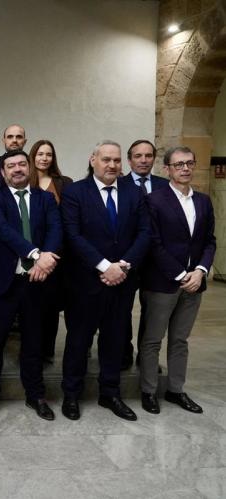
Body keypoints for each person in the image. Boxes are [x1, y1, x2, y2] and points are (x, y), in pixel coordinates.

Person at [60, 140, 150, 421]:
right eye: (106, 159)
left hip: (122, 281)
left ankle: (110, 393)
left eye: (116, 160)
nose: (112, 165)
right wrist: (103, 265)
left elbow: (145, 232)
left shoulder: (134, 192)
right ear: (93, 160)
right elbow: (72, 235)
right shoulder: (75, 192)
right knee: (78, 341)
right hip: (85, 283)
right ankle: (71, 394)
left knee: (114, 340)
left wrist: (122, 266)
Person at [0, 150, 62, 422]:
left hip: (37, 282)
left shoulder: (45, 198)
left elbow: (55, 230)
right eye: (11, 165)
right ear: (3, 172)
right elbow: (4, 230)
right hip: (3, 283)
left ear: (29, 168)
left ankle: (35, 394)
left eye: (21, 164)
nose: (17, 169)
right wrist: (37, 255)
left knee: (34, 342)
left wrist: (46, 261)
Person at [139, 146, 216, 415]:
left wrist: (201, 271)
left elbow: (209, 241)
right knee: (152, 339)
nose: (185, 168)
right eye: (179, 164)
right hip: (162, 283)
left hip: (195, 284)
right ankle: (148, 391)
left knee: (180, 340)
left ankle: (175, 390)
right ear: (167, 169)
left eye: (189, 163)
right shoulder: (154, 200)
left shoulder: (203, 201)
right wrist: (181, 274)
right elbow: (153, 243)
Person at [119, 139, 170, 369]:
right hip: (127, 258)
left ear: (154, 159)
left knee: (152, 312)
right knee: (122, 310)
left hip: (156, 261)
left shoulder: (165, 186)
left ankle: (146, 356)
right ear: (129, 160)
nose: (143, 160)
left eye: (148, 156)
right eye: (138, 156)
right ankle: (123, 352)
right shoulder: (118, 184)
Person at [28, 139, 73, 363]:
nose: (44, 158)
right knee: (30, 305)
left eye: (49, 154)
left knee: (51, 305)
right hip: (30, 252)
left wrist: (52, 251)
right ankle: (31, 349)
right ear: (33, 156)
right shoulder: (25, 181)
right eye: (40, 154)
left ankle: (47, 350)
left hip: (56, 252)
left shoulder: (64, 182)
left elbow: (67, 218)